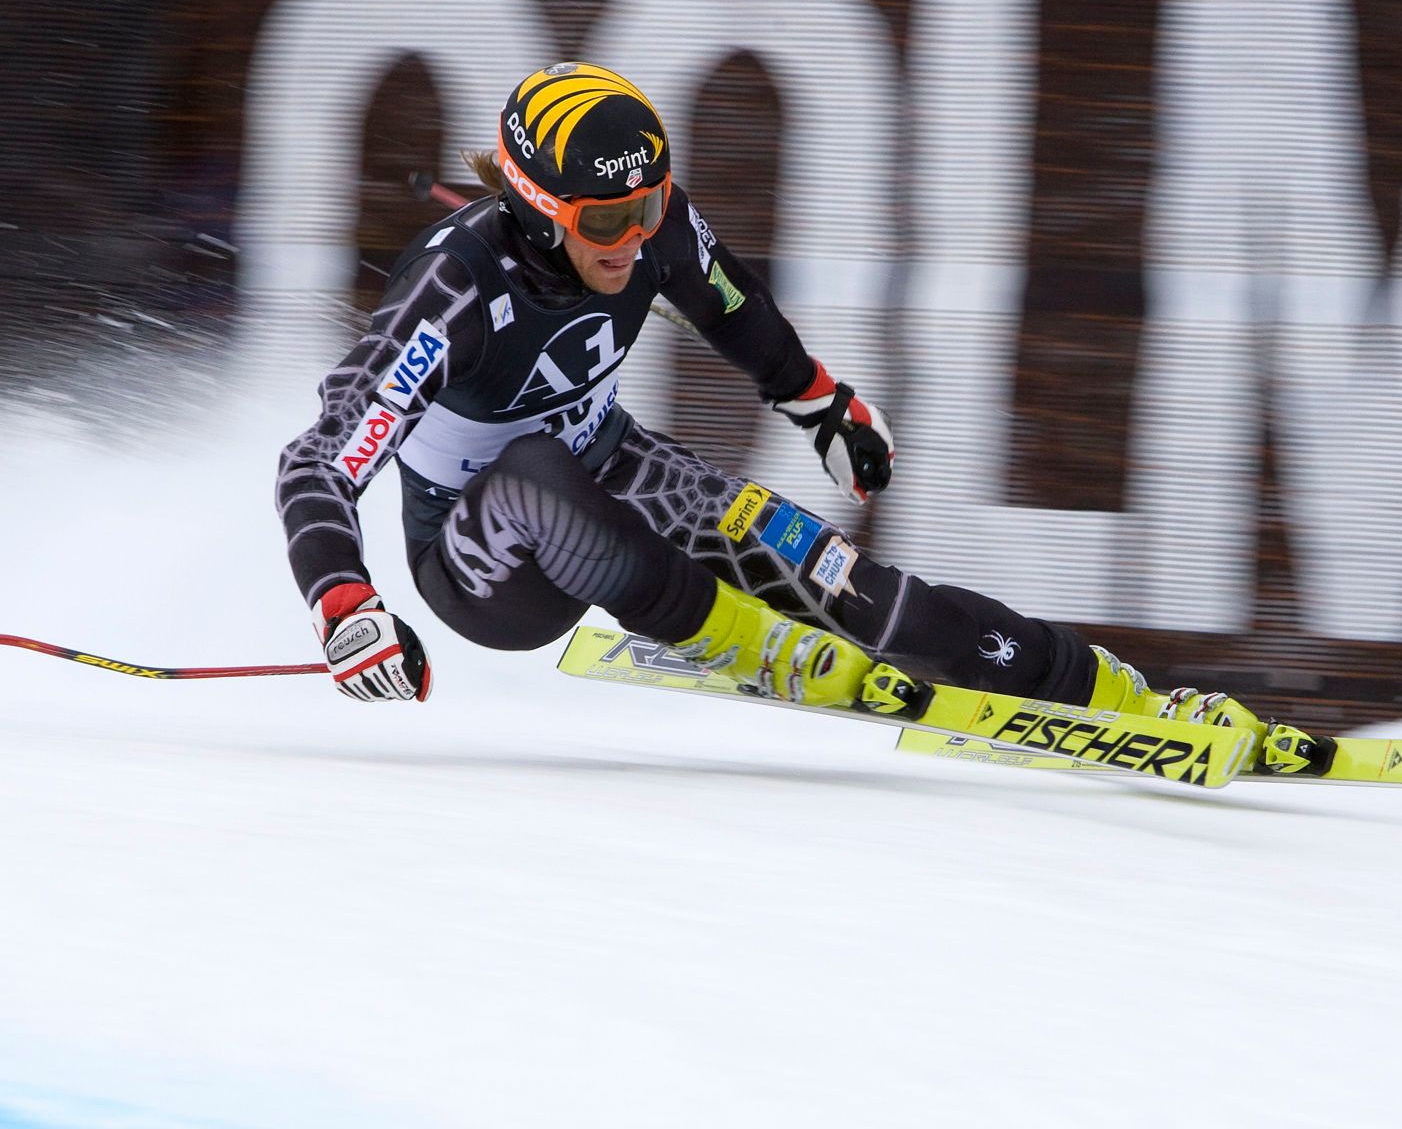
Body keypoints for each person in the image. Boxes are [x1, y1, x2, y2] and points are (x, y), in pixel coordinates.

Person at [275, 61, 1300, 758]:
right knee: (533, 478)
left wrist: (822, 404)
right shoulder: (451, 296)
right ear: (539, 209)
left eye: (651, 206)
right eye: (607, 220)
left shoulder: (651, 218)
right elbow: (318, 462)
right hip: (478, 557)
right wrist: (345, 608)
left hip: (617, 467)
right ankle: (736, 638)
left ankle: (1118, 694)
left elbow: (729, 303)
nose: (636, 239)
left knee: (846, 580)